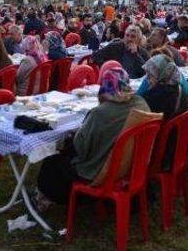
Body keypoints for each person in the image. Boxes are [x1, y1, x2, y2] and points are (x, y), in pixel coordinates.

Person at [36, 66, 151, 204]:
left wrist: (78, 133)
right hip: (129, 166)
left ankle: (44, 197)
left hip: (99, 172)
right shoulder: (141, 103)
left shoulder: (100, 113)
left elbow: (81, 149)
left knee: (52, 159)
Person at [140, 54, 188, 119]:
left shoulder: (153, 96)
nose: (147, 80)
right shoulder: (180, 89)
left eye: (150, 76)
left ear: (160, 73)